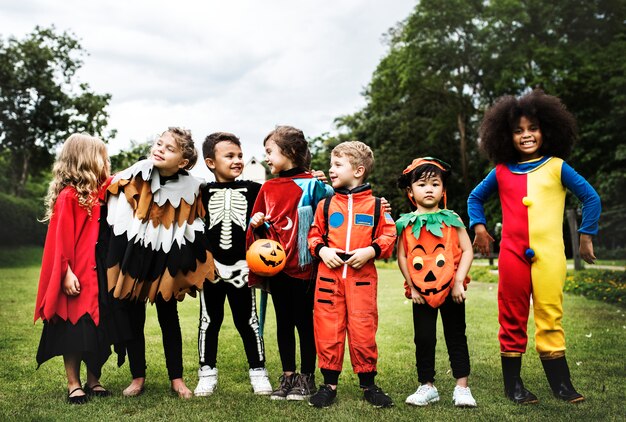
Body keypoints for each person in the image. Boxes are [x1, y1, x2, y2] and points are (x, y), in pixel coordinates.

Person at [467, 89, 601, 404]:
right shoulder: (500, 172)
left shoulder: (557, 166)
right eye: (518, 131)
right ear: (505, 136)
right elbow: (475, 198)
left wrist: (585, 236)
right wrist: (480, 228)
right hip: (512, 255)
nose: (526, 135)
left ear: (546, 130)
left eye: (533, 129)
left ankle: (561, 386)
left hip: (550, 255)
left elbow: (591, 197)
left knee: (549, 314)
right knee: (511, 315)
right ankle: (513, 386)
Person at [105, 127, 215, 399]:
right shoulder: (134, 174)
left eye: (169, 148)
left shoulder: (195, 188)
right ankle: (137, 376)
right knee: (133, 317)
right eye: (159, 143)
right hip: (135, 255)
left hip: (168, 258)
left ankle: (176, 378)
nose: (160, 149)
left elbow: (206, 215)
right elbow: (108, 195)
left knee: (169, 318)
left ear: (183, 161)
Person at [306, 141, 397, 408]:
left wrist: (370, 251)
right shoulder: (325, 205)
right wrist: (322, 251)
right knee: (327, 330)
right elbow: (313, 236)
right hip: (328, 279)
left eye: (337, 165)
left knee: (363, 330)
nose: (331, 169)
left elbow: (389, 235)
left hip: (362, 279)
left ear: (358, 170)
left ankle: (369, 385)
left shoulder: (378, 206)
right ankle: (328, 385)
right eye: (331, 164)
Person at [247, 125, 334, 401]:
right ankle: (287, 377)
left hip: (306, 269)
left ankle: (306, 378)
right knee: (283, 322)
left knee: (304, 324)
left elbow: (331, 217)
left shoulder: (315, 186)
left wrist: (326, 187)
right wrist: (257, 224)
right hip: (277, 267)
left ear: (292, 152)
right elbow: (257, 228)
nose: (267, 158)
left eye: (270, 152)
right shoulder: (268, 187)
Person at [34, 134, 113, 404]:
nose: (107, 161)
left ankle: (94, 379)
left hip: (99, 272)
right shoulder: (70, 198)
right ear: (87, 160)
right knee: (74, 331)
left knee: (98, 330)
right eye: (102, 156)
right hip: (77, 274)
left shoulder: (100, 195)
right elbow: (61, 240)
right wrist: (66, 272)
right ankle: (73, 383)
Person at [194, 132, 272, 396]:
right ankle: (207, 372)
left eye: (240, 155)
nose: (237, 160)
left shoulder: (254, 189)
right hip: (212, 270)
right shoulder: (201, 192)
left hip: (242, 268)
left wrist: (315, 181)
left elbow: (280, 201)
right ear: (210, 162)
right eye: (229, 156)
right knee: (208, 321)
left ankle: (258, 371)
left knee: (248, 321)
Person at [396, 157, 476, 408]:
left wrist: (458, 282)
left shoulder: (452, 219)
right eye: (421, 184)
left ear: (443, 189)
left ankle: (462, 388)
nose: (428, 189)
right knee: (424, 338)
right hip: (422, 291)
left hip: (451, 289)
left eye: (434, 183)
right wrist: (413, 286)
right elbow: (402, 256)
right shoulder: (405, 224)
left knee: (456, 336)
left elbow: (467, 250)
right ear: (410, 191)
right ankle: (426, 386)